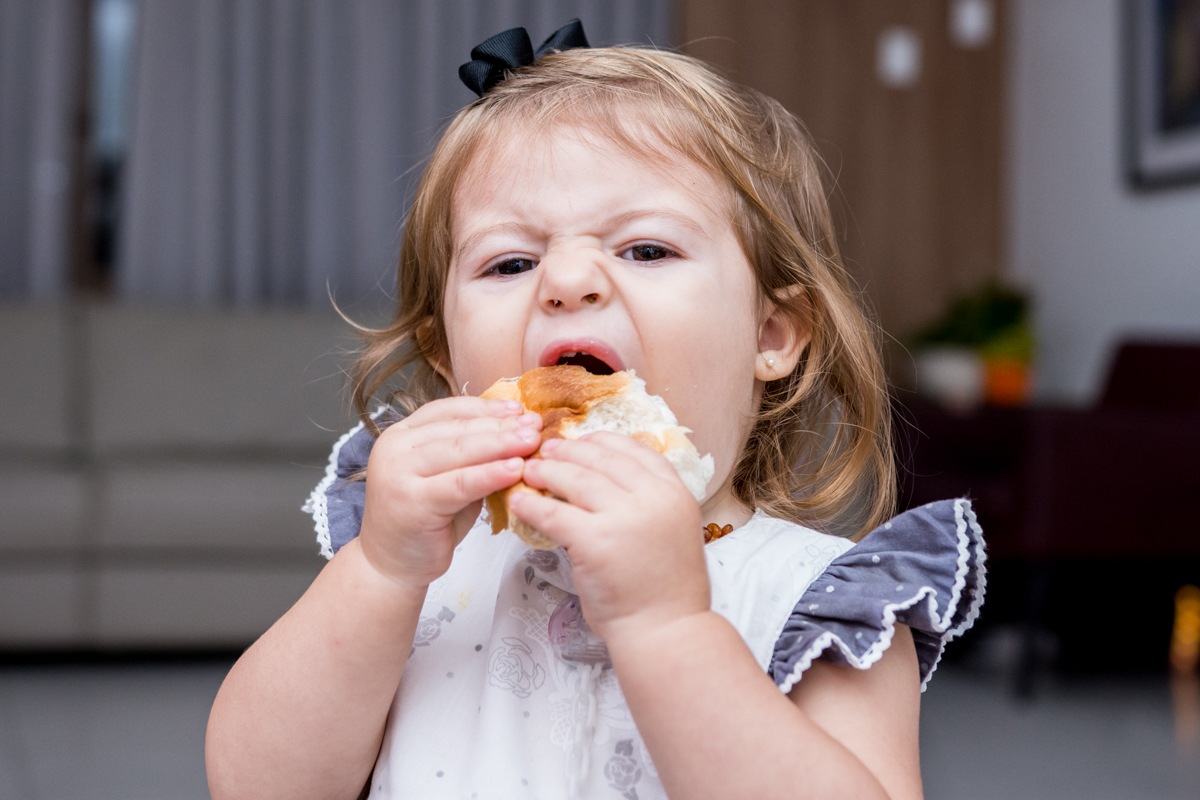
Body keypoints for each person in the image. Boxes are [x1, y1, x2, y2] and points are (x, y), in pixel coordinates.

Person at [206, 21, 985, 800]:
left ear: (771, 335)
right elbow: (256, 786)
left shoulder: (820, 604)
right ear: (447, 358)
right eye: (510, 261)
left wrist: (667, 626)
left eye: (646, 249)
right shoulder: (417, 567)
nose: (568, 279)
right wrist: (377, 571)